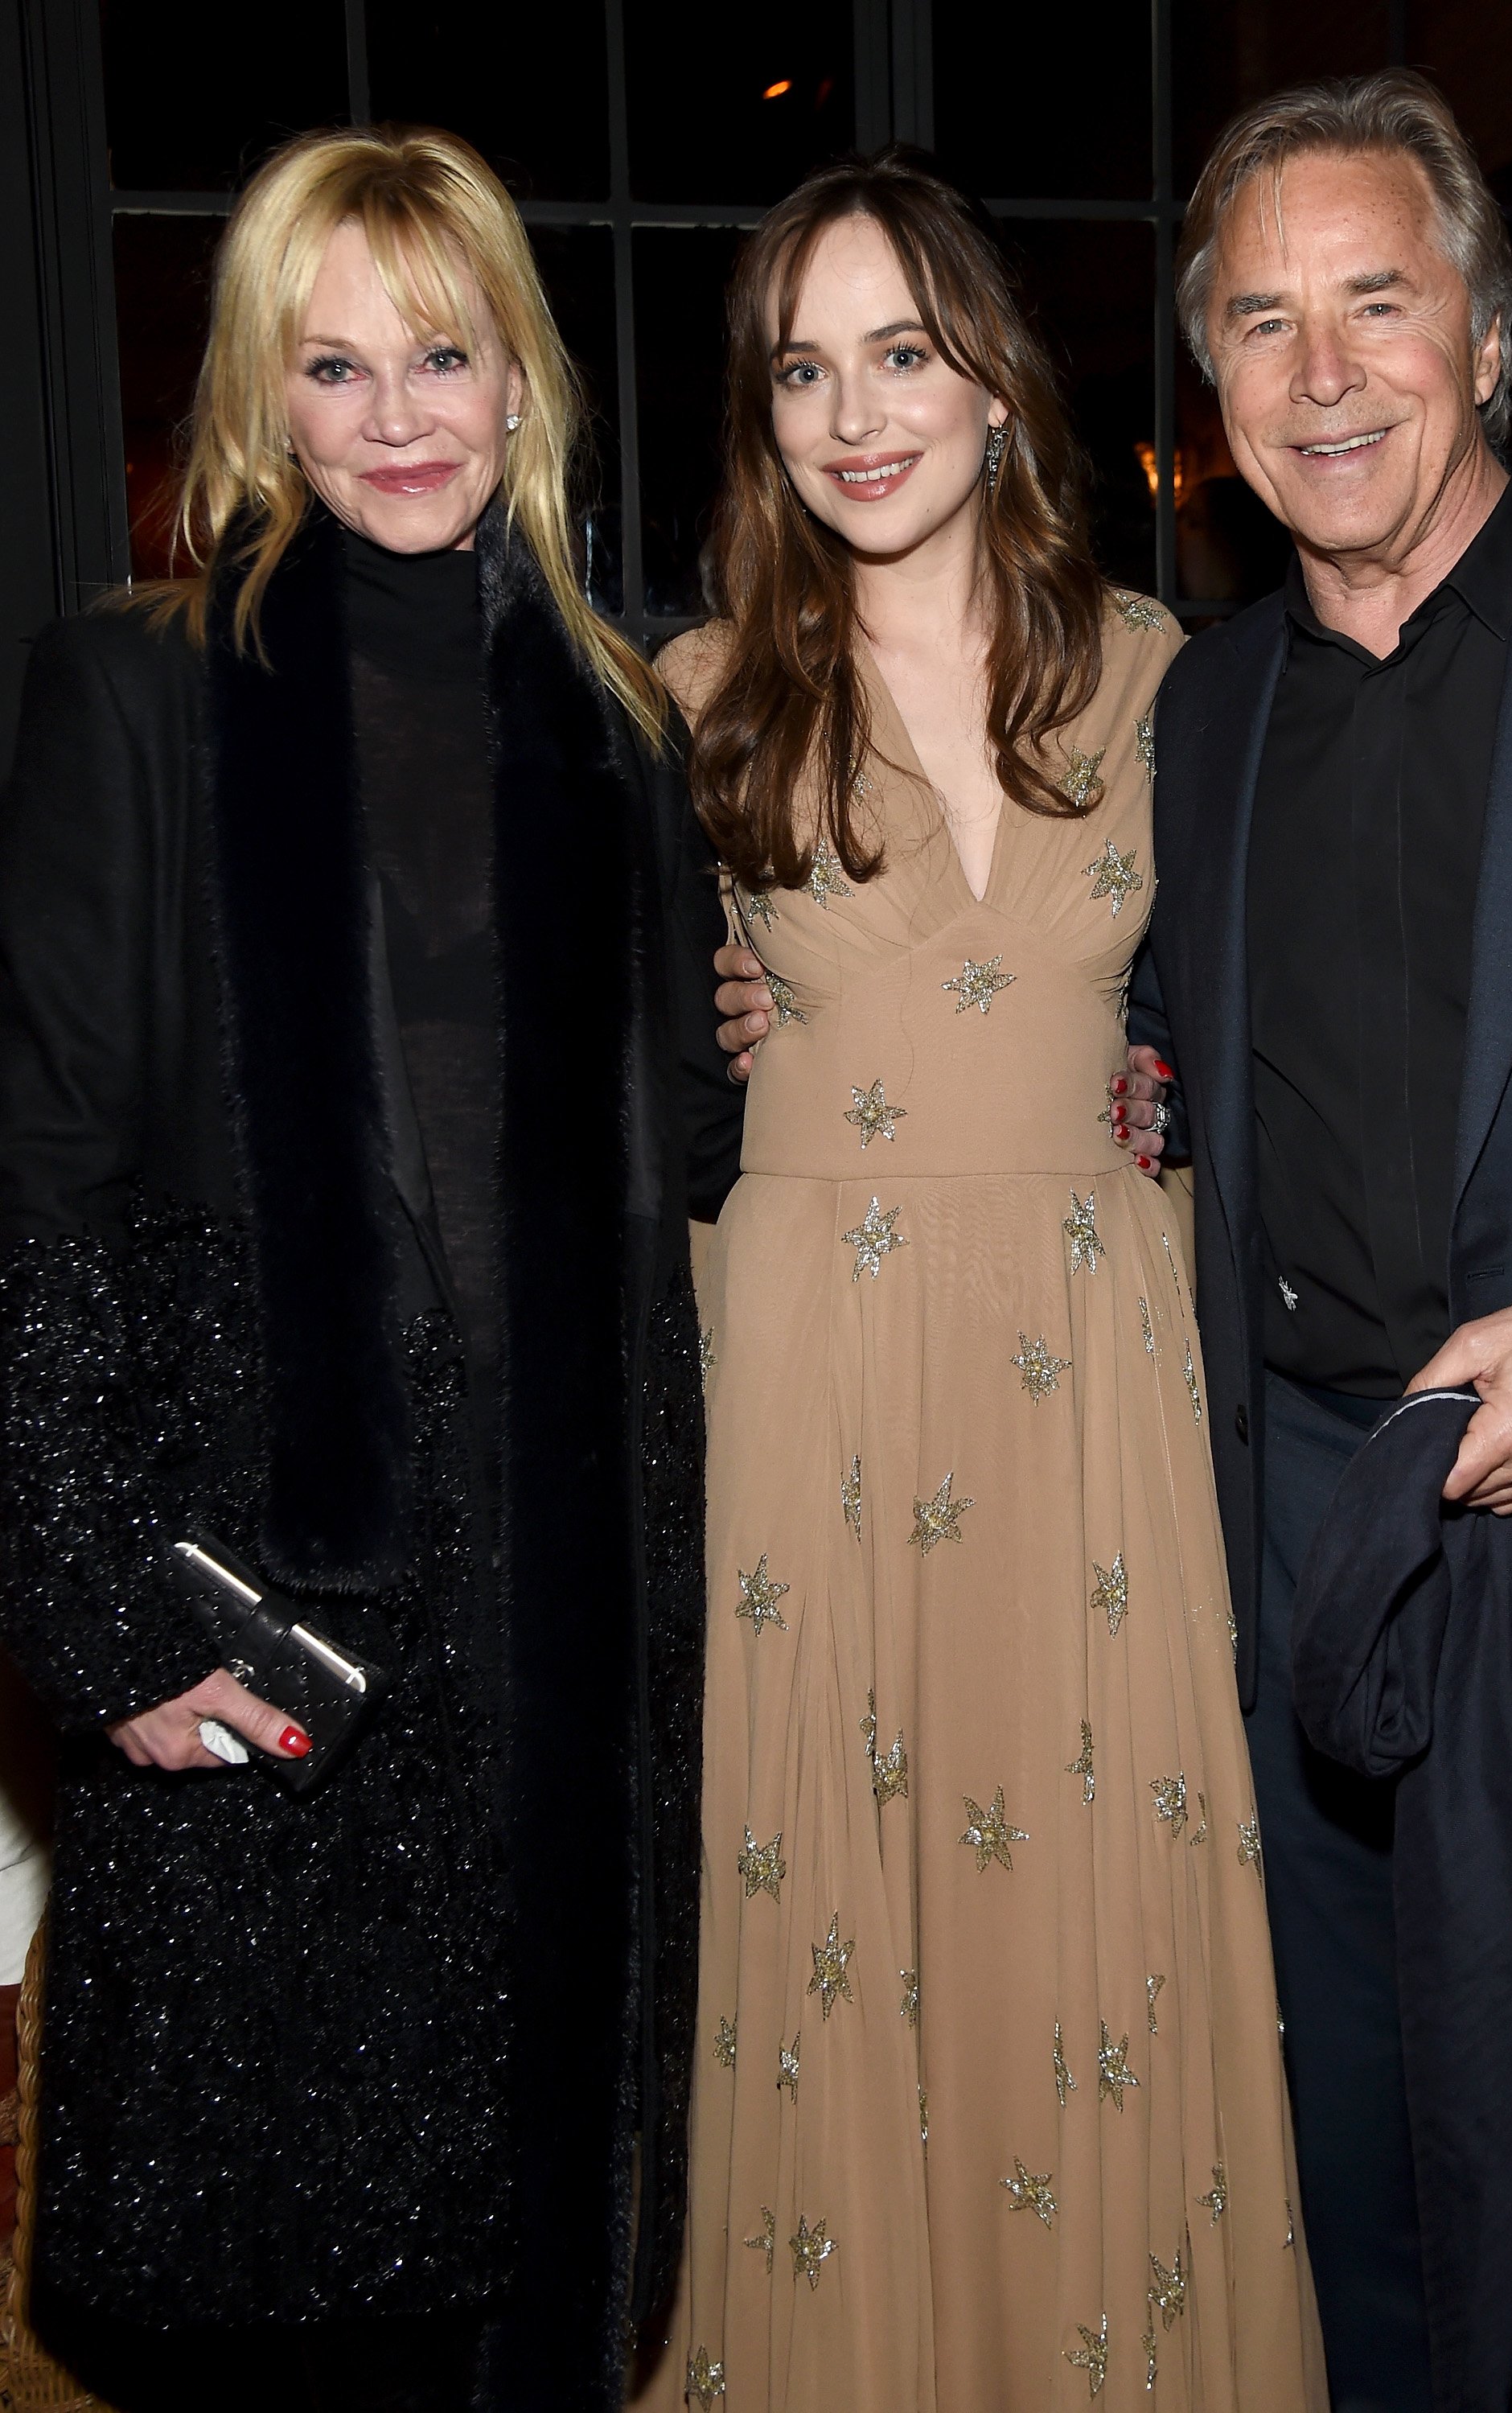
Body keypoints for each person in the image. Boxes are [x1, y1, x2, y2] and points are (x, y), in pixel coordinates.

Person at [0, 125, 737, 2411]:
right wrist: (108, 1611)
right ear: (261, 399)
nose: (401, 414)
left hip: (560, 1626)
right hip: (274, 1605)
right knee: (269, 2292)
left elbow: (668, 1159)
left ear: (525, 381)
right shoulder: (137, 697)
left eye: (446, 351)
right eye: (337, 366)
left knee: (529, 2279)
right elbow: (32, 1187)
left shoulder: (617, 727)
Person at [639, 150, 1326, 2413]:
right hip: (804, 1384)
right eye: (805, 368)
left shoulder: (1169, 682)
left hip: (1086, 1385)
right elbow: (580, 1077)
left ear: (997, 385)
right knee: (826, 1937)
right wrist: (714, 1030)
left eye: (902, 354)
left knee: (1073, 1949)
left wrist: (1161, 1094)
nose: (857, 413)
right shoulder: (694, 697)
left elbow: (1271, 1032)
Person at [1135, 72, 1512, 2413]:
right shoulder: (1207, 715)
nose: (1322, 375)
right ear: (1212, 396)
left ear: (1486, 337)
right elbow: (1187, 1036)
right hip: (1320, 1540)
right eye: (1264, 325)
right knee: (1375, 2226)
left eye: (1375, 304)